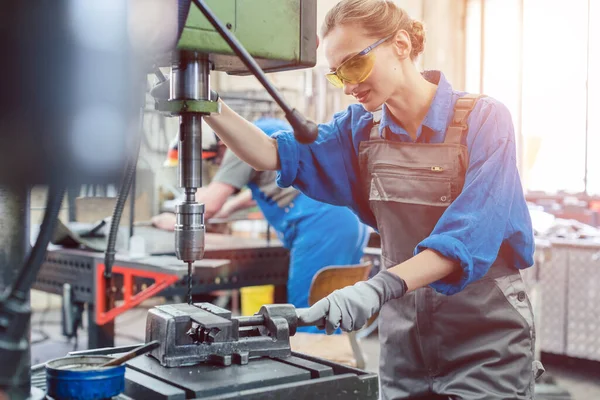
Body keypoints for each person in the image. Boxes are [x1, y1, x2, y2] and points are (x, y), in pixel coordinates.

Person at [201, 0, 542, 398]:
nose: (348, 85)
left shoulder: (484, 119)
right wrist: (202, 96)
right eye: (336, 75)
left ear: (399, 44)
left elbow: (467, 237)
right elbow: (270, 153)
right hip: (404, 341)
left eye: (354, 65)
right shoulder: (359, 130)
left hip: (485, 335)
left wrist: (376, 289)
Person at [153, 117, 370, 334]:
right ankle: (337, 361)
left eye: (214, 160)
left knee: (311, 312)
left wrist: (174, 221)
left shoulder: (238, 140)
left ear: (220, 144)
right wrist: (230, 208)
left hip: (320, 226)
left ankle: (314, 362)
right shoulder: (265, 128)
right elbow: (269, 183)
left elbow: (210, 204)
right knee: (335, 306)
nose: (219, 165)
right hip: (347, 220)